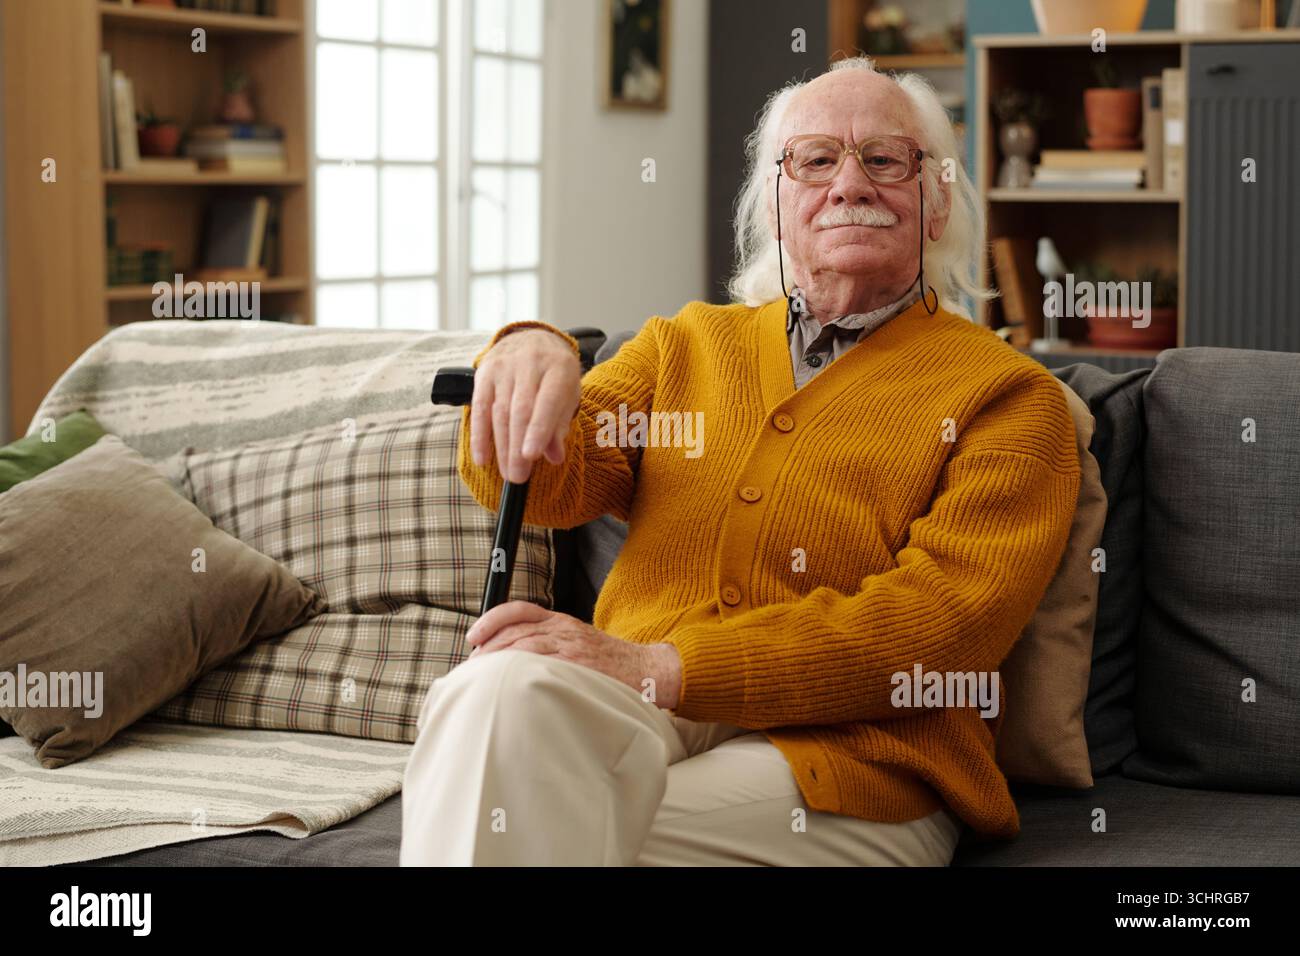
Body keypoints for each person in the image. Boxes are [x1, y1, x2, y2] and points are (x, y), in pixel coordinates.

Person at [400, 57, 1081, 866]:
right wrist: (528, 350)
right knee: (492, 691)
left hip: (853, 759)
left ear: (935, 202)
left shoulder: (1007, 397)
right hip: (638, 704)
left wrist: (668, 665)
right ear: (776, 205)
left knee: (547, 814)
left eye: (886, 160)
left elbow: (939, 629)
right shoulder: (686, 345)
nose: (850, 184)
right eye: (816, 160)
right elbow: (549, 479)